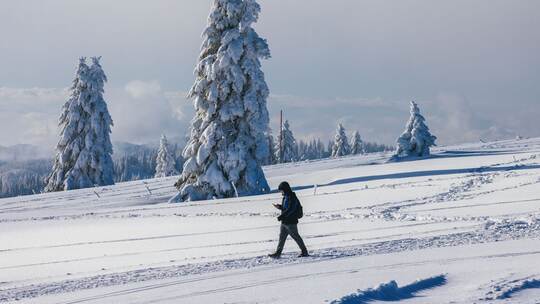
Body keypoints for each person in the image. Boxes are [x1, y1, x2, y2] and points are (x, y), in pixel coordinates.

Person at [268, 181, 309, 259]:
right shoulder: (286, 197)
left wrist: (281, 216)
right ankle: (278, 253)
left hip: (291, 222)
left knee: (296, 237)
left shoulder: (292, 197)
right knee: (281, 237)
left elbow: (291, 209)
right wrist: (279, 207)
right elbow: (285, 208)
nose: (281, 192)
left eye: (281, 190)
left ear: (285, 189)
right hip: (285, 222)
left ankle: (304, 251)